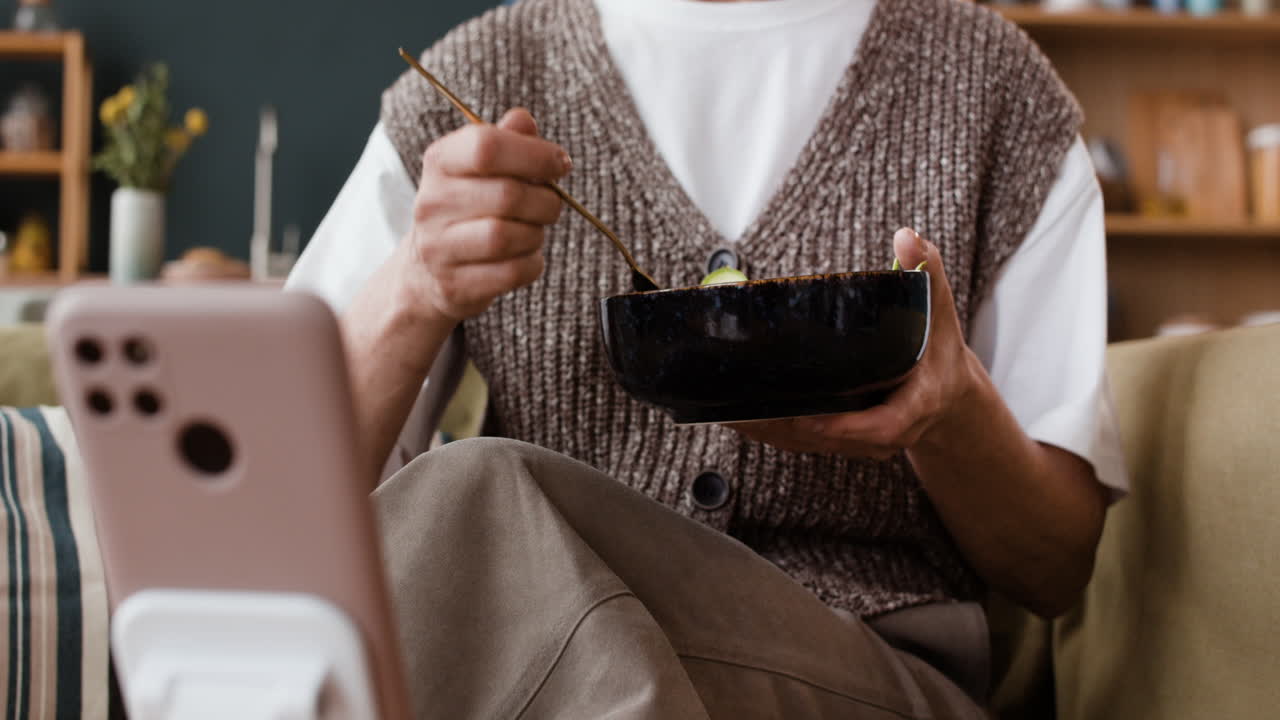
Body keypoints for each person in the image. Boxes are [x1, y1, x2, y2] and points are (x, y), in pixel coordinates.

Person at [287, 0, 1128, 716]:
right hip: (537, 664)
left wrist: (948, 418)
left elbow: (1055, 566)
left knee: (476, 504)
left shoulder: (992, 88)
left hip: (881, 670)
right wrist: (414, 286)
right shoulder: (473, 85)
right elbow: (269, 509)